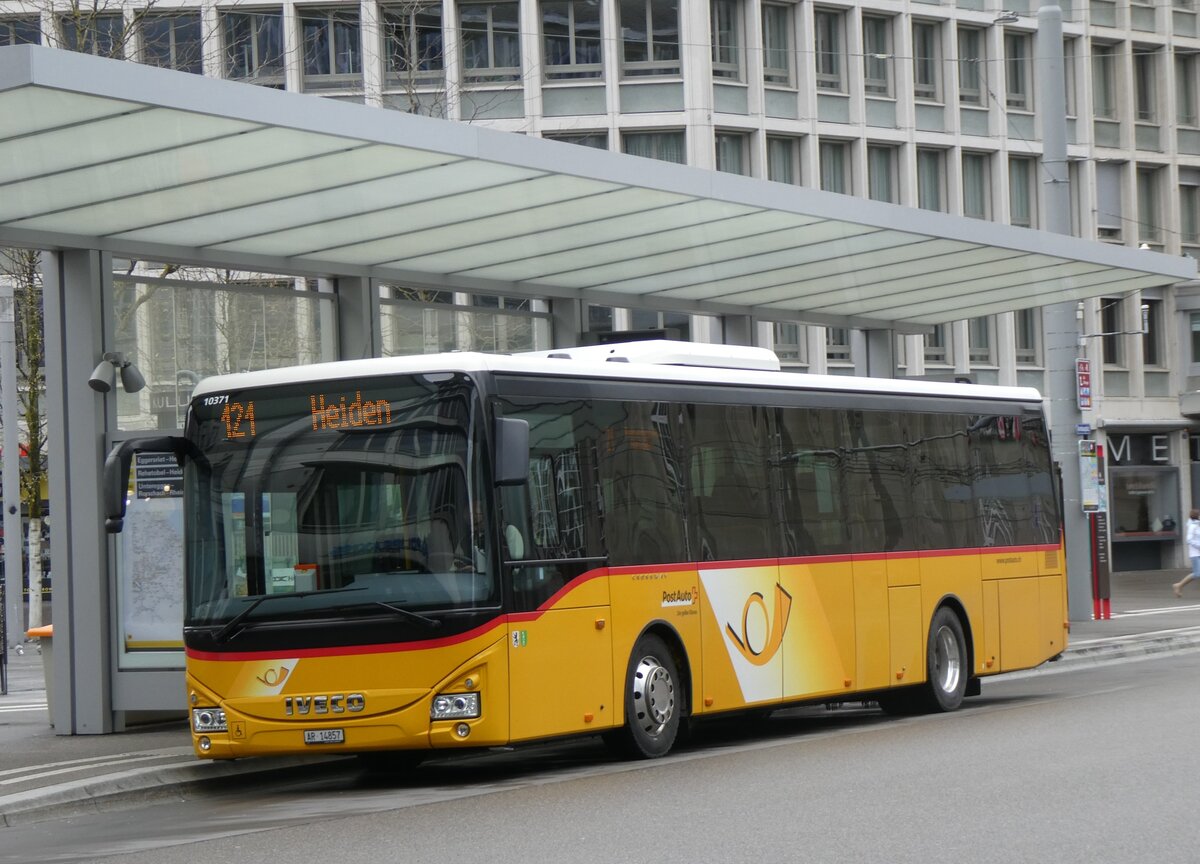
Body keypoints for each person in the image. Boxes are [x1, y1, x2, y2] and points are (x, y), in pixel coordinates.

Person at [1173, 509, 1200, 597]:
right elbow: (1189, 540)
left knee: (1198, 573)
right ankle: (1179, 585)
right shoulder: (1192, 526)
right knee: (1197, 574)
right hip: (1195, 554)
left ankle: (1179, 585)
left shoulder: (1197, 525)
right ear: (1197, 516)